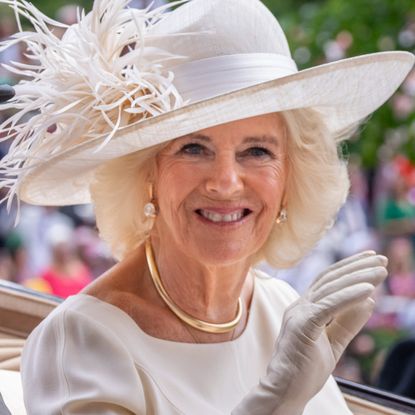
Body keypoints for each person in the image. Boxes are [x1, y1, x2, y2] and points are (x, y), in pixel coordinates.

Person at [0, 0, 413, 414]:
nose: (226, 182)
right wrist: (277, 398)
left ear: (292, 176)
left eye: (256, 151)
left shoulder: (285, 309)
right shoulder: (82, 342)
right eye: (194, 148)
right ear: (146, 174)